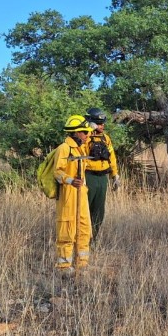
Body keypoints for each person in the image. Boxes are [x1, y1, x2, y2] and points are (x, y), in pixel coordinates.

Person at [53, 115, 93, 277]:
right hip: (69, 196)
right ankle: (64, 267)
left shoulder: (80, 148)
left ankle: (82, 264)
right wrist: (70, 181)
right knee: (67, 230)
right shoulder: (64, 148)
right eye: (84, 132)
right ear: (76, 133)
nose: (87, 135)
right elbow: (57, 172)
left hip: (81, 195)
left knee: (84, 228)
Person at [83, 108, 119, 243]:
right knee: (84, 209)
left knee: (99, 211)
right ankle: (82, 239)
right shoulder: (84, 137)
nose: (102, 126)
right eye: (99, 123)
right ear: (91, 123)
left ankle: (93, 239)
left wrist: (115, 175)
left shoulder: (106, 138)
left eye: (103, 123)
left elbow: (112, 157)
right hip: (89, 177)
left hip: (102, 178)